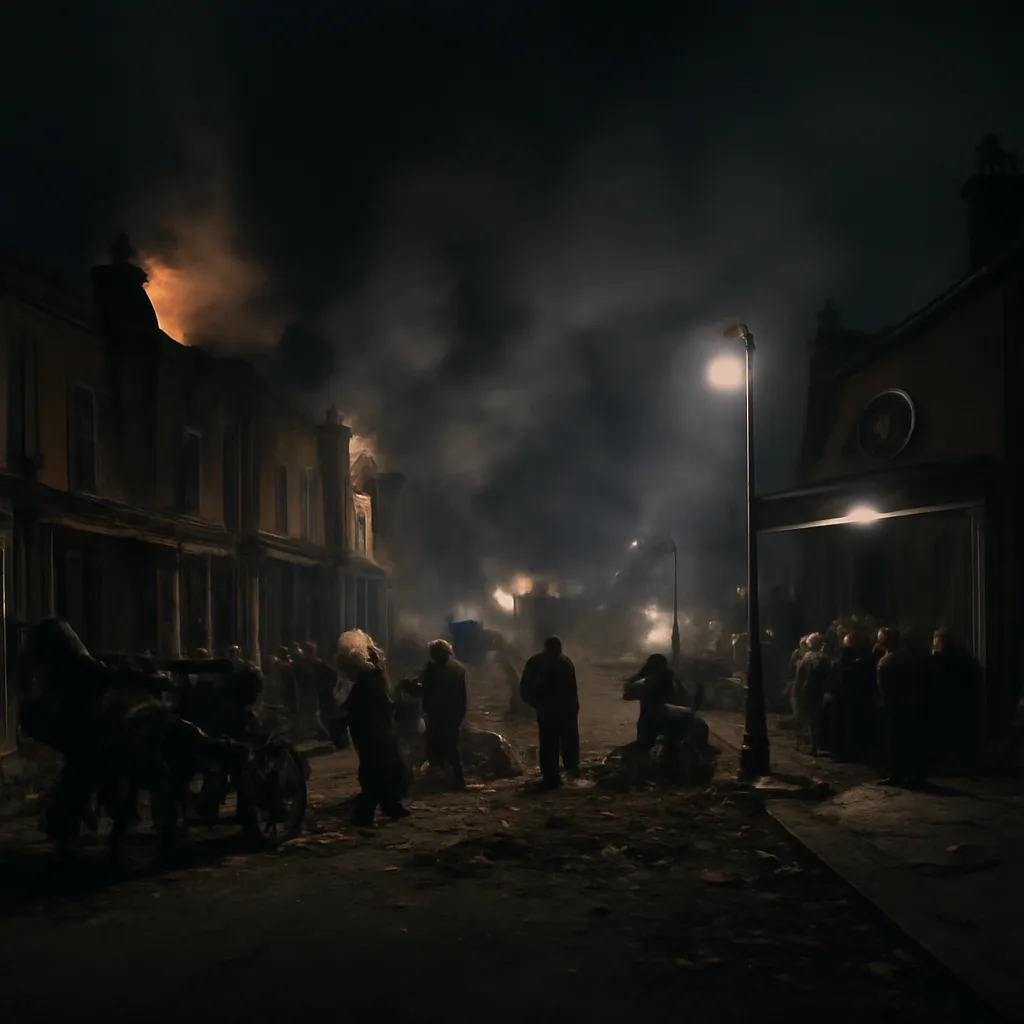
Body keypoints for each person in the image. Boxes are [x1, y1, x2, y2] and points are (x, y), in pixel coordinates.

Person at [339, 632, 410, 826]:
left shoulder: (369, 682)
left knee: (383, 769)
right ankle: (369, 812)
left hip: (373, 732)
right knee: (378, 770)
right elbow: (374, 707)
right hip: (373, 733)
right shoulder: (371, 682)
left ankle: (388, 805)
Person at [402, 639, 468, 790]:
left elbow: (422, 690)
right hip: (454, 714)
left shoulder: (434, 669)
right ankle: (458, 781)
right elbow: (462, 694)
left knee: (434, 748)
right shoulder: (458, 667)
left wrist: (409, 687)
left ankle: (439, 780)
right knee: (452, 749)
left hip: (437, 714)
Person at [519, 636, 580, 788]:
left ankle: (551, 777)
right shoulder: (566, 661)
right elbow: (573, 688)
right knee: (569, 741)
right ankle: (572, 772)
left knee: (548, 742)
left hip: (548, 710)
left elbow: (525, 687)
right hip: (567, 709)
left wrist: (535, 703)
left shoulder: (537, 661)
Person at [876, 627, 928, 788]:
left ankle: (897, 775)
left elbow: (883, 686)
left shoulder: (886, 662)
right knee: (911, 740)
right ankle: (913, 775)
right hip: (911, 703)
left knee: (895, 741)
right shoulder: (909, 658)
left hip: (893, 705)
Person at [795, 633, 829, 757]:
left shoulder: (807, 657)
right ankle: (816, 743)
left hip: (808, 690)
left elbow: (800, 675)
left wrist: (797, 689)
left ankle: (813, 744)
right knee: (817, 717)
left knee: (810, 717)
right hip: (820, 690)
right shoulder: (824, 657)